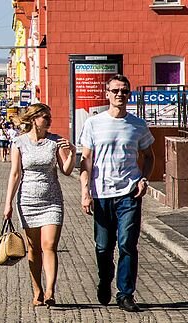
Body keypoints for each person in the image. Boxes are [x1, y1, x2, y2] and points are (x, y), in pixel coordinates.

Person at [79, 74, 155, 313]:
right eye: (115, 91)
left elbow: (150, 156)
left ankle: (125, 294)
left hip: (129, 194)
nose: (119, 95)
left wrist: (143, 178)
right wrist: (85, 191)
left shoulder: (138, 124)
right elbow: (86, 159)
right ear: (107, 94)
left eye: (124, 91)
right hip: (101, 194)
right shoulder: (94, 123)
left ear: (129, 95)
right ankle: (104, 280)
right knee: (103, 246)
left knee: (127, 245)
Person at [3, 103, 76, 307]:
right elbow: (15, 174)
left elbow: (67, 170)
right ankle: (37, 290)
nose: (49, 120)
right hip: (27, 201)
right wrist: (7, 203)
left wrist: (71, 153)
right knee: (33, 249)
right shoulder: (19, 143)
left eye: (49, 117)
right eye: (45, 117)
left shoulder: (55, 142)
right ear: (34, 119)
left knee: (49, 245)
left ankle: (51, 290)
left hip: (52, 200)